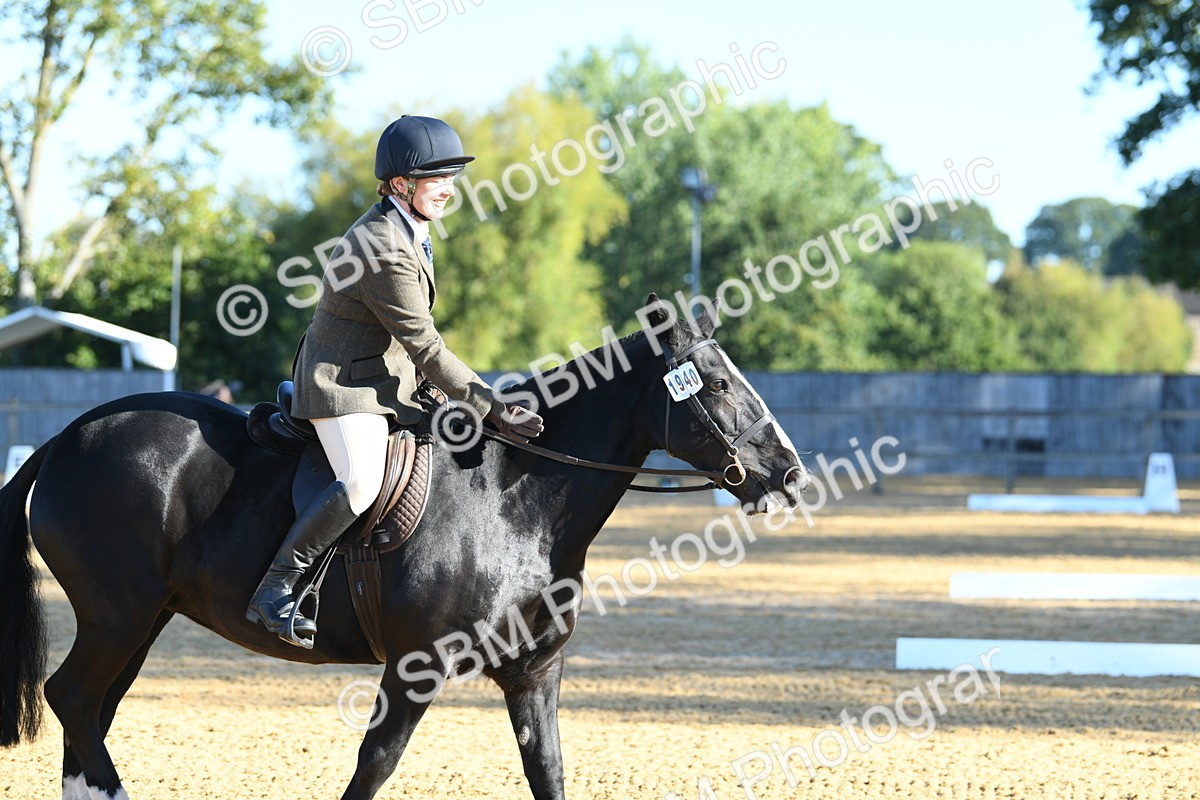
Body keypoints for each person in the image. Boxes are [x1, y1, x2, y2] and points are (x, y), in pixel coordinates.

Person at [246, 115, 544, 646]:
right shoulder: (382, 244)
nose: (449, 190)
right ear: (402, 184)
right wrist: (490, 403)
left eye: (453, 178)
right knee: (360, 482)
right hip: (342, 387)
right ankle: (277, 590)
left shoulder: (410, 227)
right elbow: (424, 343)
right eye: (438, 178)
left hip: (382, 379)